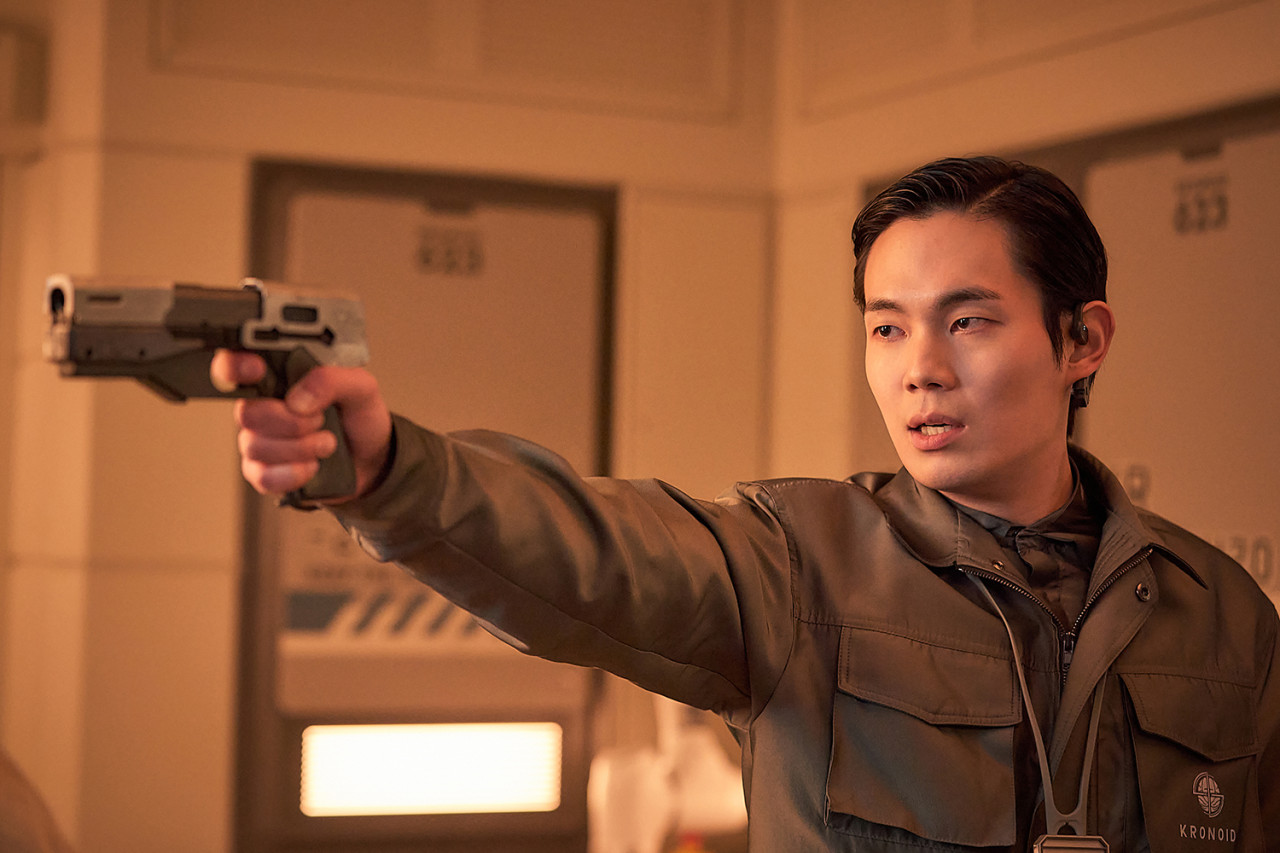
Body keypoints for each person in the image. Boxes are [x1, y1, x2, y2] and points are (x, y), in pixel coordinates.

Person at [214, 156, 1280, 851]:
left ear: (1080, 340)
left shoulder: (1225, 617)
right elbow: (591, 550)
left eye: (967, 322)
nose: (917, 368)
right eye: (886, 327)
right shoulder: (798, 566)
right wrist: (389, 470)